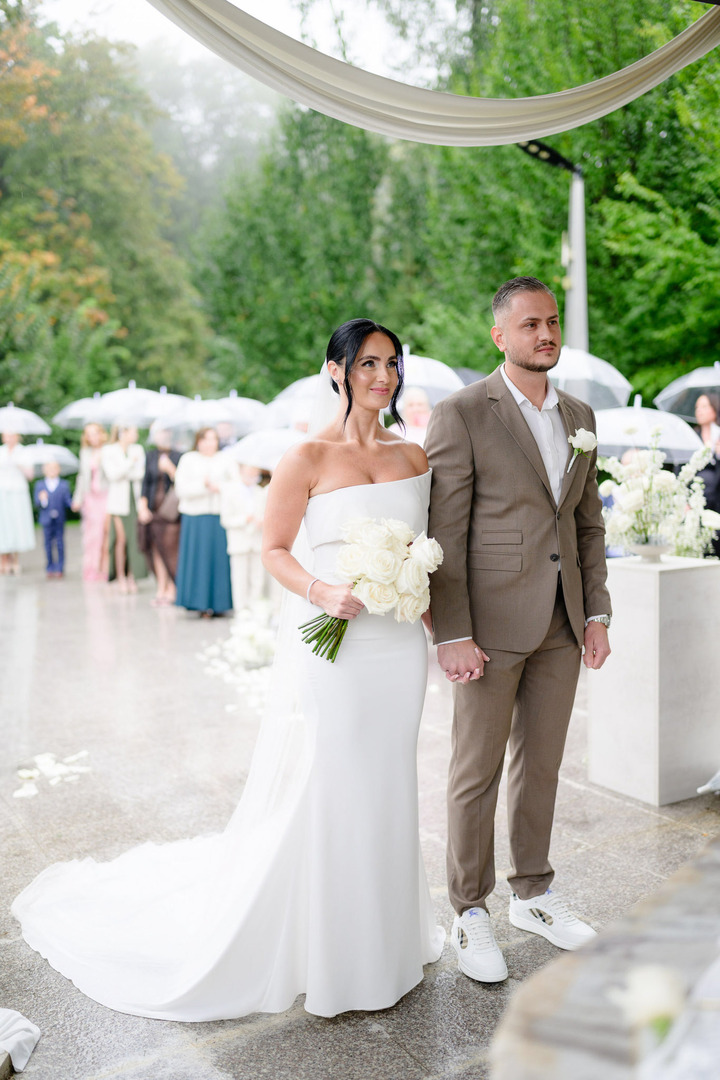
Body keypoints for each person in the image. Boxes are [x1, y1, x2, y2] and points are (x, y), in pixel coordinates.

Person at [11, 317, 444, 1020]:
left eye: (392, 364)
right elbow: (275, 549)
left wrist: (431, 613)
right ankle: (339, 953)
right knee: (338, 779)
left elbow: (426, 549)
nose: (383, 377)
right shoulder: (306, 457)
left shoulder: (414, 457)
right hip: (336, 642)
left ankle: (390, 936)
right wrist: (323, 590)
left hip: (398, 647)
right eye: (367, 364)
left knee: (392, 778)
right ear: (335, 370)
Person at [425, 277, 612, 984]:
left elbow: (587, 525)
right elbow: (446, 529)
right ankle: (469, 910)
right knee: (475, 773)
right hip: (489, 627)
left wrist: (596, 614)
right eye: (530, 324)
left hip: (564, 622)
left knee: (542, 766)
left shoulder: (580, 413)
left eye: (552, 321)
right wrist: (453, 631)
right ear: (499, 336)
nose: (546, 333)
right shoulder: (464, 412)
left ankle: (532, 892)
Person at [174, 428, 236, 617]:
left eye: (213, 439)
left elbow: (236, 484)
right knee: (197, 559)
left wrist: (220, 488)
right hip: (195, 516)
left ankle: (220, 603)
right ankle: (197, 602)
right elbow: (181, 489)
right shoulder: (188, 459)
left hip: (219, 515)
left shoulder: (226, 459)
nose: (209, 443)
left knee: (218, 560)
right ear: (198, 441)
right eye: (205, 439)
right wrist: (204, 486)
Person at [137, 429, 181, 606]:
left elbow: (183, 481)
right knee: (156, 549)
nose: (164, 437)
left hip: (171, 511)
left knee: (170, 548)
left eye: (167, 433)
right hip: (154, 508)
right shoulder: (151, 455)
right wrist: (142, 505)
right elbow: (146, 482)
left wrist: (170, 470)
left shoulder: (179, 456)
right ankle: (161, 586)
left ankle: (173, 586)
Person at [101, 424, 147, 593]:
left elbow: (140, 473)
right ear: (123, 433)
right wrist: (129, 464)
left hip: (133, 498)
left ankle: (131, 575)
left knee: (134, 538)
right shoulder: (109, 451)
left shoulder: (138, 449)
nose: (136, 434)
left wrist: (125, 470)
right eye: (133, 431)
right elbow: (112, 475)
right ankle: (120, 576)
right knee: (121, 539)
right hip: (118, 502)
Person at [220, 462, 267, 612]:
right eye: (249, 473)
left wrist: (262, 521)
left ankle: (256, 611)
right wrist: (244, 519)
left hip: (257, 541)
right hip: (239, 542)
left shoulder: (261, 492)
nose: (253, 476)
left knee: (257, 579)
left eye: (255, 474)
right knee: (239, 579)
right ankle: (241, 611)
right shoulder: (230, 491)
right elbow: (225, 519)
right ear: (241, 472)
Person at [72, 422, 109, 582]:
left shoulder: (108, 451)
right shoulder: (85, 453)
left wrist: (103, 460)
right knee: (92, 535)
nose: (92, 437)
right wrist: (77, 498)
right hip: (90, 497)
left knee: (105, 533)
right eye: (89, 434)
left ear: (101, 434)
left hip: (105, 495)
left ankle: (106, 568)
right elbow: (82, 477)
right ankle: (92, 568)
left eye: (95, 433)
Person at [0, 431, 35, 575]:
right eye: (6, 435)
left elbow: (31, 475)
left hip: (18, 493)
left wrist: (19, 464)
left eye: (12, 435)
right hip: (2, 493)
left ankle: (15, 558)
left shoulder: (24, 452)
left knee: (16, 524)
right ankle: (3, 559)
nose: (9, 438)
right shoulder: (1, 451)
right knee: (3, 525)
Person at [33, 461, 73, 578]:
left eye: (54, 468)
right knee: (47, 544)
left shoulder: (64, 484)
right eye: (49, 468)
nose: (52, 471)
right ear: (44, 470)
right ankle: (50, 567)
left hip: (60, 519)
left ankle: (60, 568)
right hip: (46, 519)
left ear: (59, 470)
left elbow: (67, 501)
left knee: (60, 543)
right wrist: (42, 500)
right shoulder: (40, 485)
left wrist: (74, 505)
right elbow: (37, 504)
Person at [694, 393, 720, 557]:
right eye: (697, 407)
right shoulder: (691, 436)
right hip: (697, 501)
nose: (699, 411)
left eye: (704, 406)